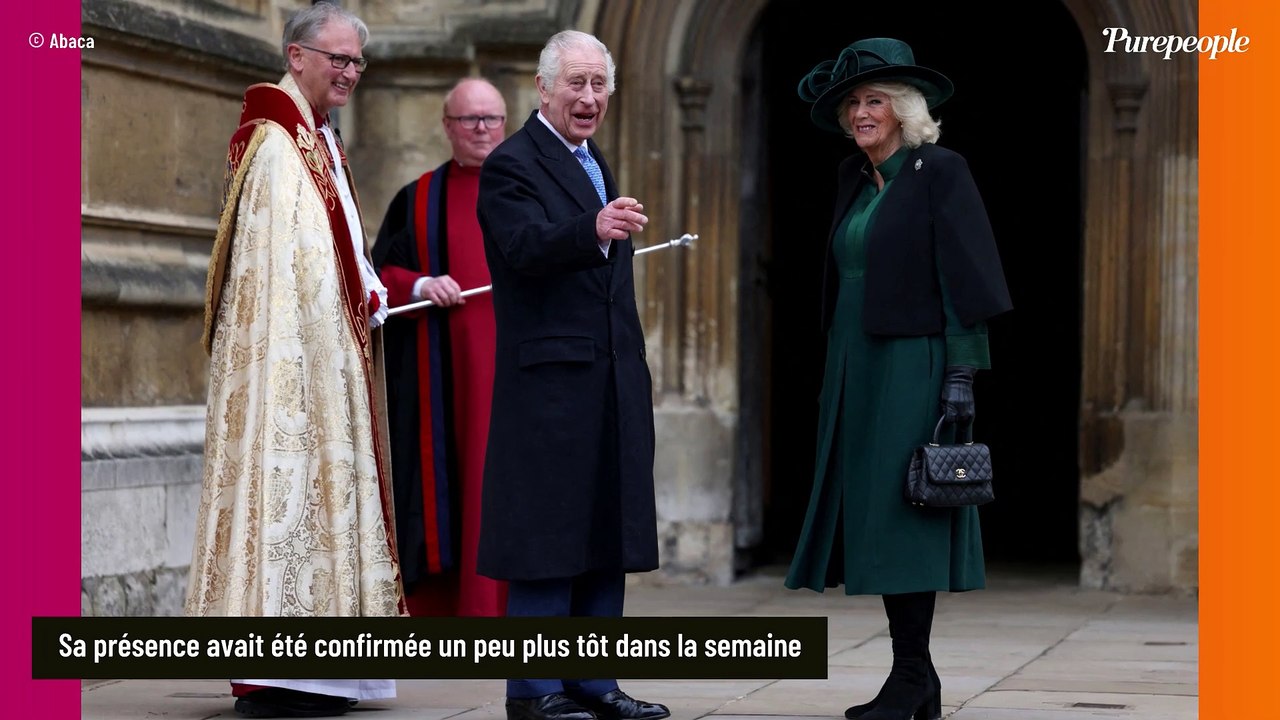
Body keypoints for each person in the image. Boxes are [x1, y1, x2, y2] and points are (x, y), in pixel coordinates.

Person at [784, 38, 1013, 720]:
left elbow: (967, 276)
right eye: (853, 102)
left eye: (874, 99)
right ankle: (917, 677)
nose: (860, 112)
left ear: (906, 110)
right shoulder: (854, 179)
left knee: (905, 517)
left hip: (915, 364)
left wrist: (962, 373)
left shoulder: (940, 170)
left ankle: (911, 677)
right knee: (875, 523)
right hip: (854, 363)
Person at [186, 3, 403, 717]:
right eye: (336, 59)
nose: (348, 73)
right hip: (295, 372)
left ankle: (330, 672)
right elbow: (290, 269)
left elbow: (334, 245)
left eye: (356, 63)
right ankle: (282, 675)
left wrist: (369, 289)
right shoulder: (279, 145)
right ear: (296, 54)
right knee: (288, 498)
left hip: (328, 358)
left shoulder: (316, 137)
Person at [475, 29, 670, 720]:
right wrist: (592, 227)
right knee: (548, 539)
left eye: (599, 85)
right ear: (544, 87)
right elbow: (524, 246)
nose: (589, 98)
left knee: (601, 535)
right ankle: (534, 692)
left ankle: (595, 683)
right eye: (577, 84)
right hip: (549, 389)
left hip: (609, 381)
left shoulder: (595, 161)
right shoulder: (512, 164)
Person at [372, 78, 510, 618]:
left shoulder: (534, 193)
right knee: (455, 486)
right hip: (445, 382)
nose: (481, 130)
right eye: (469, 120)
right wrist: (422, 285)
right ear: (448, 127)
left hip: (522, 374)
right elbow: (378, 273)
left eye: (491, 119)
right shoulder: (419, 198)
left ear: (507, 123)